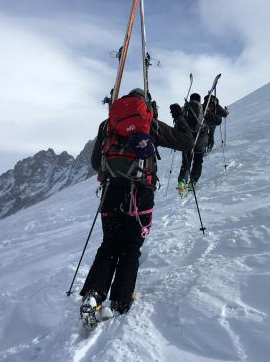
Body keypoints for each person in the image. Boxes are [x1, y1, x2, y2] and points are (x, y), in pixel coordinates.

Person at [80, 88, 193, 319]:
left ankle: (93, 294)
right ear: (146, 104)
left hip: (111, 191)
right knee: (131, 246)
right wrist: (180, 118)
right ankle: (119, 302)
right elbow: (187, 142)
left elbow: (95, 162)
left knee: (109, 244)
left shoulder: (107, 123)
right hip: (140, 194)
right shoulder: (151, 122)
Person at [177, 92, 207, 192]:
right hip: (200, 138)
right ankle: (192, 182)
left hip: (187, 138)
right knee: (198, 161)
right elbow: (216, 120)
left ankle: (182, 182)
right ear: (199, 100)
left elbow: (178, 123)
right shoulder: (203, 108)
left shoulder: (184, 108)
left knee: (186, 161)